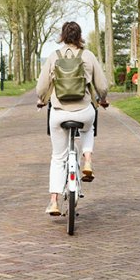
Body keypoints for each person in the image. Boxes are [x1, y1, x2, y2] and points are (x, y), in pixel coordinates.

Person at [36, 21, 109, 216]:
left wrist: (42, 100)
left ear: (62, 36)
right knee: (88, 127)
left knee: (58, 157)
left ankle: (53, 201)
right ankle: (87, 160)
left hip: (59, 113)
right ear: (80, 36)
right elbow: (101, 85)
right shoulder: (88, 55)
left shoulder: (54, 56)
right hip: (83, 109)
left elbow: (42, 87)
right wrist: (102, 99)